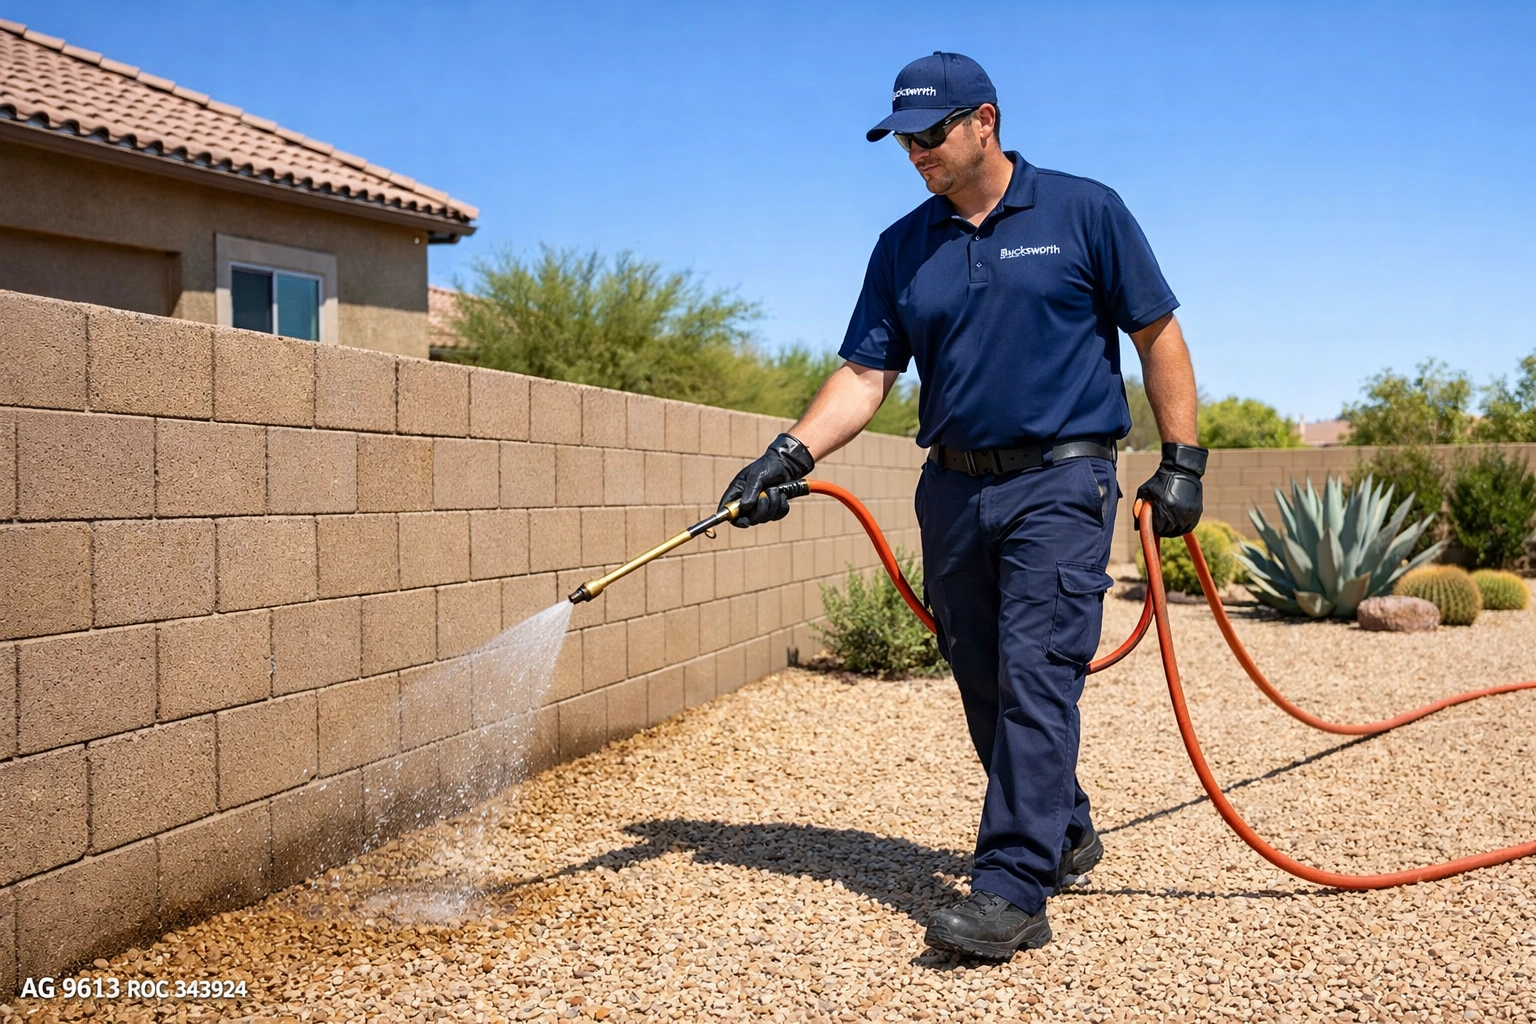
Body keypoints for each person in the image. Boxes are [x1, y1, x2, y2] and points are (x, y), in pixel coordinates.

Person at [718, 51, 1205, 959]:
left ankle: (1011, 887)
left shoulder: (1083, 210)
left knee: (1036, 674)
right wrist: (787, 454)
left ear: (985, 119)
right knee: (981, 678)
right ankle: (1061, 826)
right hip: (950, 487)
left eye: (930, 133)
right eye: (903, 138)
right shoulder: (904, 245)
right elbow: (866, 373)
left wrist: (1183, 460)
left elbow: (1156, 331)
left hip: (1060, 481)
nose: (915, 152)